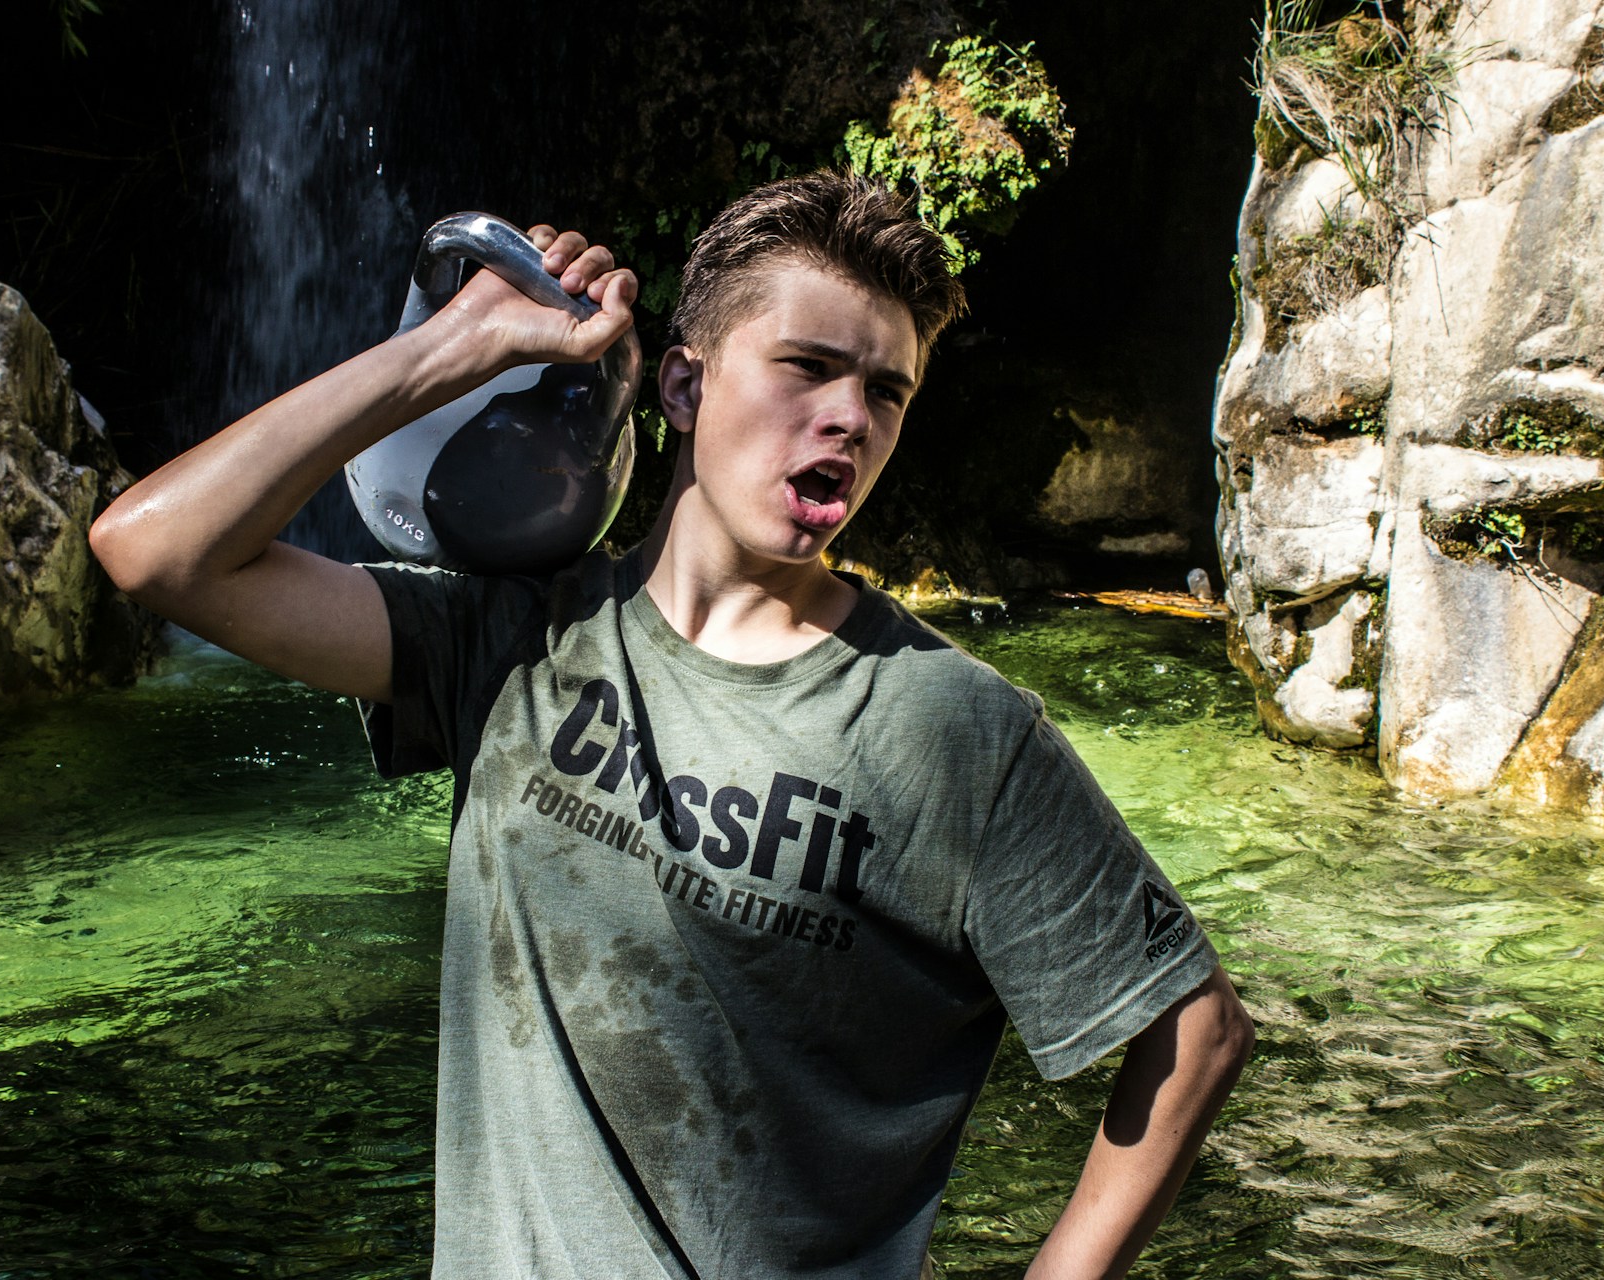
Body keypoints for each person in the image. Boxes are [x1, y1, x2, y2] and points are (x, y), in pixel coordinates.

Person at [90, 170, 1254, 1279]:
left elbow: (1194, 1030)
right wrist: (453, 348)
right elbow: (154, 549)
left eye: (886, 390)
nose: (849, 417)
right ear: (685, 387)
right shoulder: (512, 638)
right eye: (806, 366)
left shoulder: (953, 729)